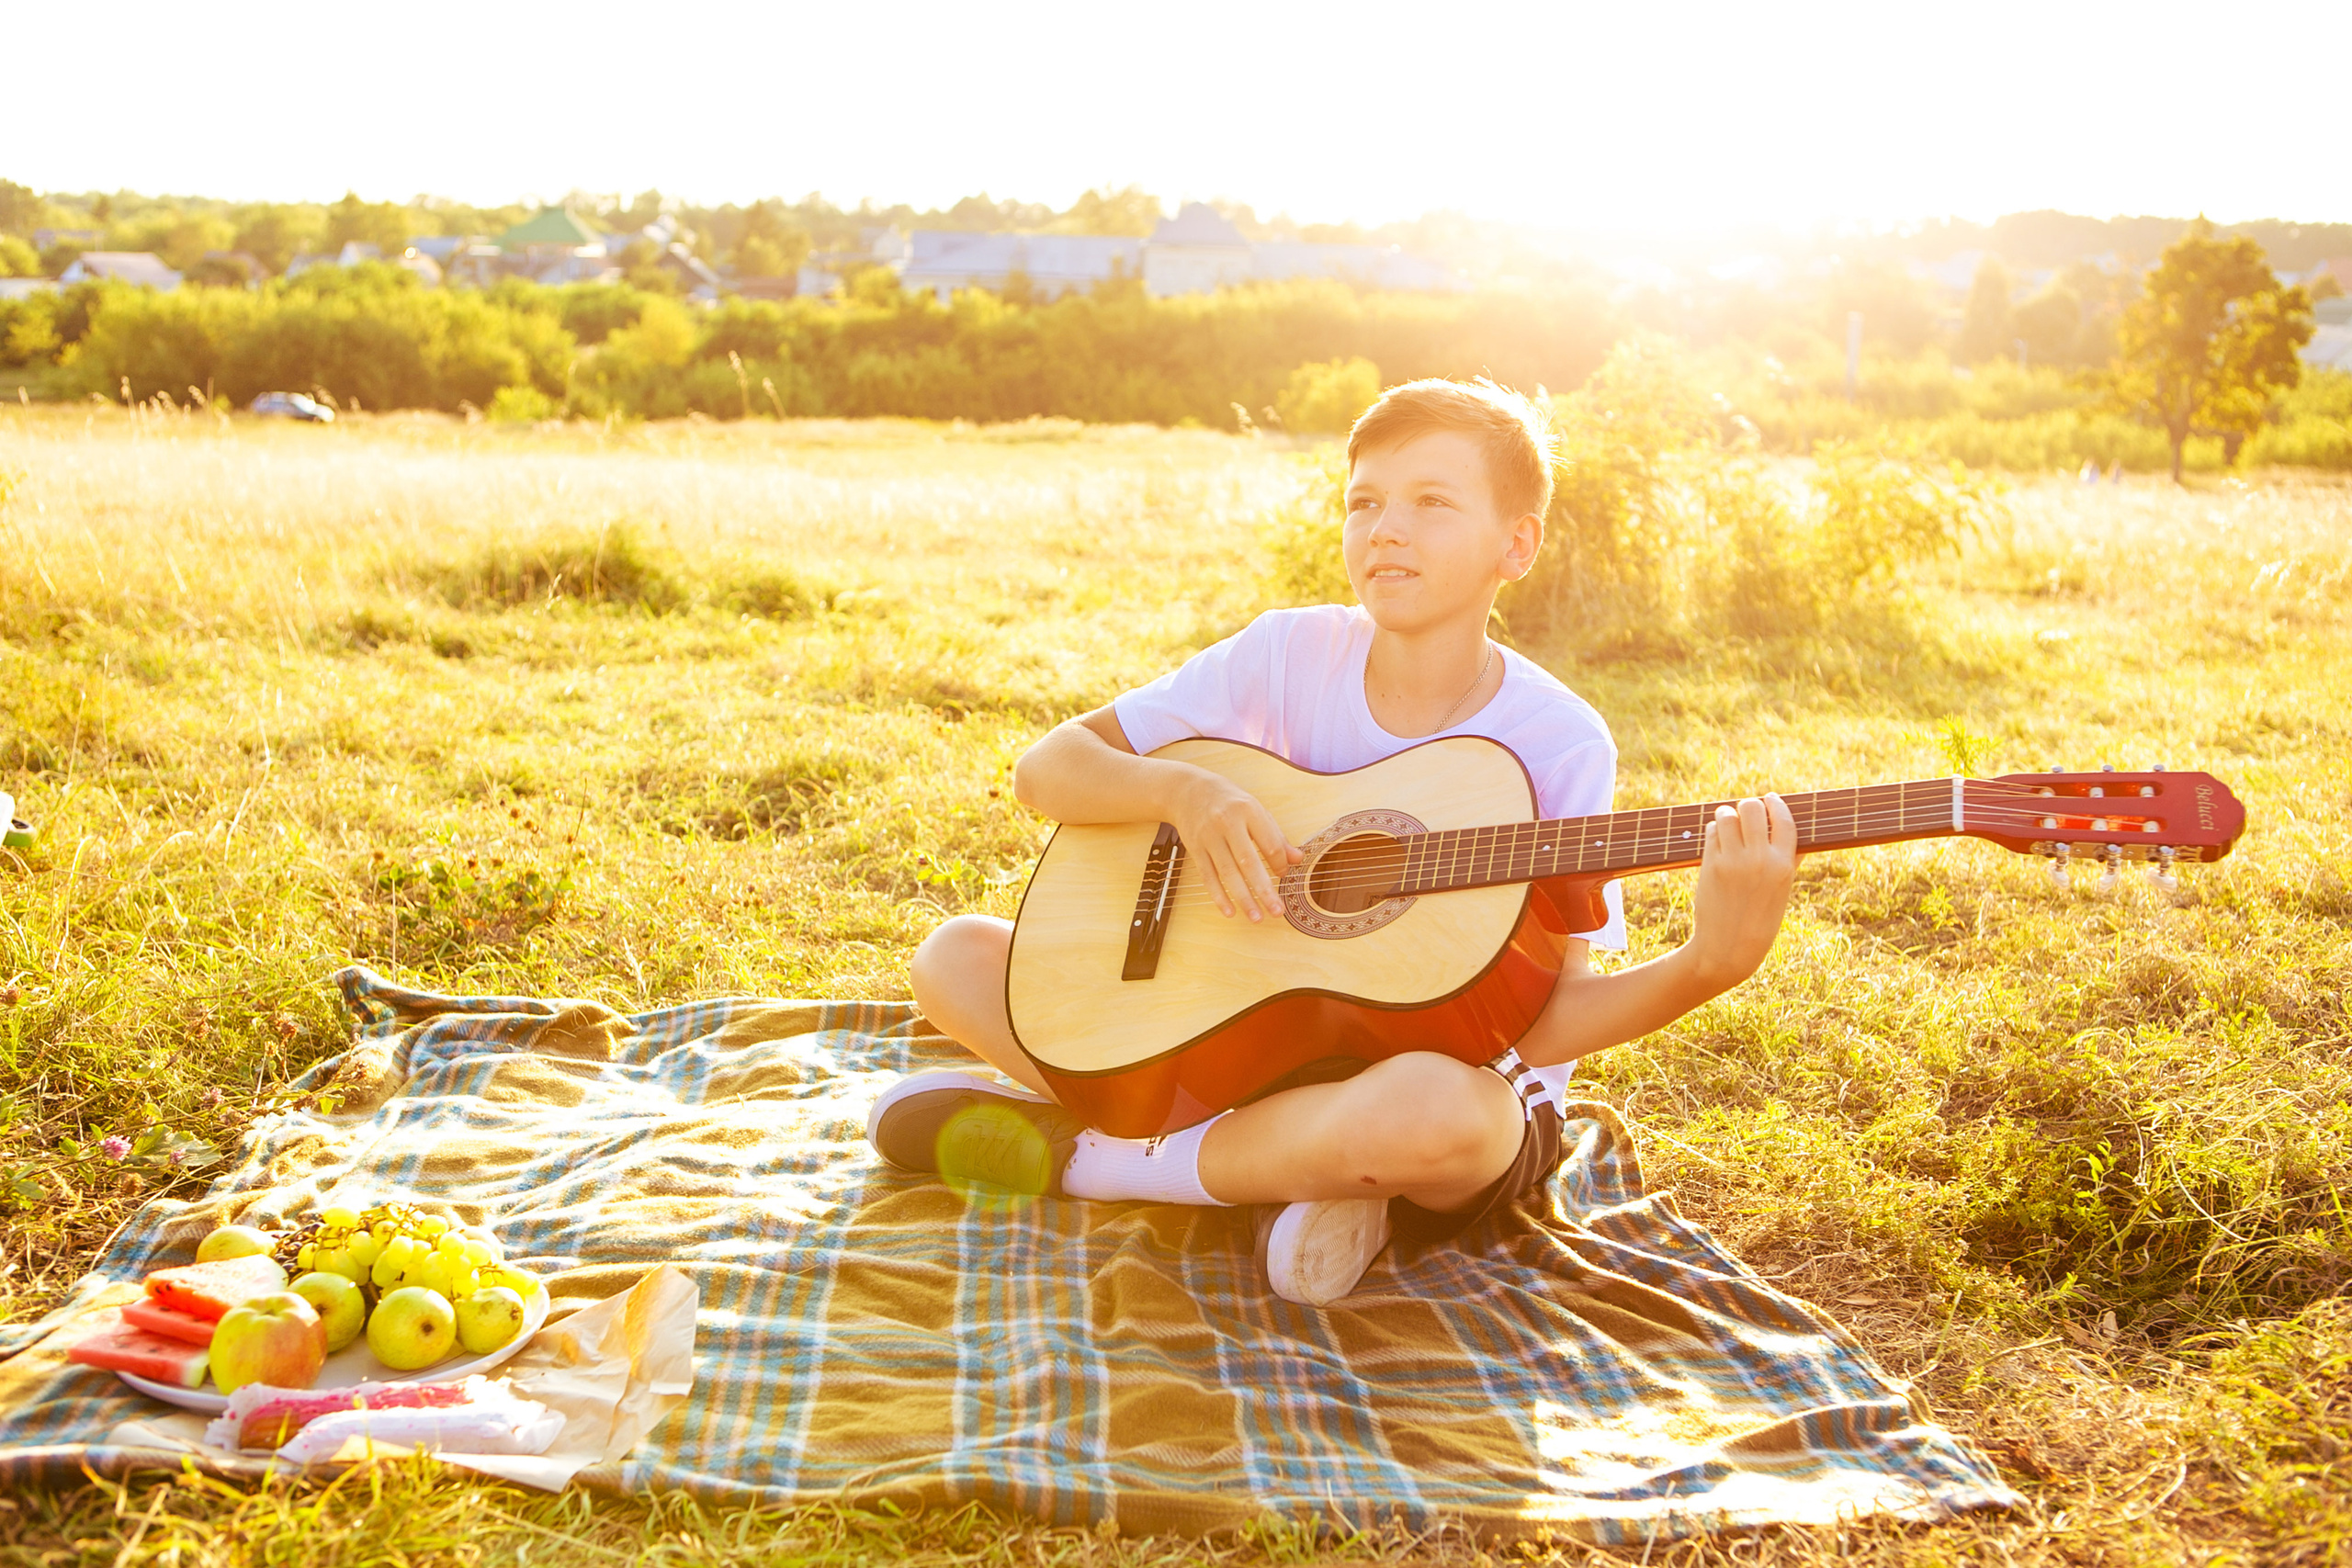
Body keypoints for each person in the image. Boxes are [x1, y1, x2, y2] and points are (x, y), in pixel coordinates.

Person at [868, 378, 1798, 1305]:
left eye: (1432, 503)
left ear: (1516, 545)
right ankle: (1285, 1180)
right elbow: (1047, 768)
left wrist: (1708, 964)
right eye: (1365, 502)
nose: (1386, 528)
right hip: (1244, 1043)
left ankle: (1092, 1161)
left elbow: (1548, 1020)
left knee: (1432, 1114)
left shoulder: (1557, 741)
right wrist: (1181, 790)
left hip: (1453, 1090)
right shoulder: (1287, 652)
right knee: (956, 958)